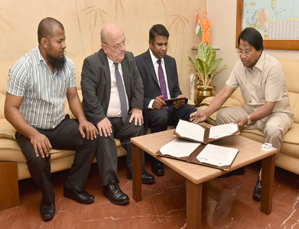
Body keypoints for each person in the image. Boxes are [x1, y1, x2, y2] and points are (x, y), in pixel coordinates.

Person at [4, 17, 98, 221]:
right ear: (44, 42)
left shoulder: (68, 65)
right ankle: (47, 199)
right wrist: (34, 134)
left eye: (65, 40)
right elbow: (10, 109)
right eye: (60, 41)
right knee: (38, 160)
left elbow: (72, 96)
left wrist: (82, 120)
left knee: (91, 136)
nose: (64, 45)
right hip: (31, 128)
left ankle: (73, 186)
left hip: (59, 124)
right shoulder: (24, 67)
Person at [190, 27, 294, 201]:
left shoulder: (273, 66)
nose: (243, 55)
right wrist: (205, 112)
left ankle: (264, 177)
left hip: (276, 114)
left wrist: (247, 119)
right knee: (222, 117)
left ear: (259, 51)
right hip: (251, 112)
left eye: (248, 51)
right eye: (240, 51)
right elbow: (224, 92)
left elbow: (269, 106)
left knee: (274, 129)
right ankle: (235, 164)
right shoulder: (240, 65)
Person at [81, 23, 155, 205]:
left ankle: (136, 170)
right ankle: (110, 184)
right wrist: (99, 118)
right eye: (117, 46)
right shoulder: (91, 63)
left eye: (123, 42)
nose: (123, 48)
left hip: (123, 118)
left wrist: (137, 108)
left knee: (138, 125)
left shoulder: (129, 58)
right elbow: (89, 96)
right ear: (104, 48)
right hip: (103, 118)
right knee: (104, 133)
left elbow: (138, 84)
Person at [135, 24, 197, 176]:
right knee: (160, 116)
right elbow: (135, 95)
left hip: (171, 108)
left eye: (166, 44)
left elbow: (175, 89)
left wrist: (180, 97)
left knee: (192, 111)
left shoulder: (171, 62)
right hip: (152, 111)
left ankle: (182, 153)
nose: (163, 48)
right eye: (159, 44)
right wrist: (151, 103)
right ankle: (158, 159)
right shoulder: (138, 62)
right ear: (150, 43)